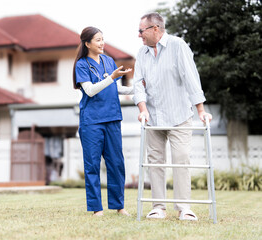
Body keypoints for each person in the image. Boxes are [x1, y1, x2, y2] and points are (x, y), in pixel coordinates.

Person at [132, 12, 212, 221]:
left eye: (141, 31)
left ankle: (184, 208)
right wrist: (142, 108)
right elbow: (138, 84)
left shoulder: (178, 46)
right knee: (155, 161)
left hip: (179, 116)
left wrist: (201, 110)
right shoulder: (142, 53)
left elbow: (191, 78)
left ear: (155, 29)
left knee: (181, 160)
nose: (139, 35)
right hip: (153, 118)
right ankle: (158, 207)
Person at [72, 26, 133, 216]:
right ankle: (96, 208)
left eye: (102, 39)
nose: (102, 43)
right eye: (98, 40)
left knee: (116, 163)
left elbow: (116, 88)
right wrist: (112, 78)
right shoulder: (81, 65)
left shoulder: (109, 61)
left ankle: (118, 206)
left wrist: (138, 89)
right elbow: (90, 90)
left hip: (112, 118)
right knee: (92, 164)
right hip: (92, 121)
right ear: (87, 43)